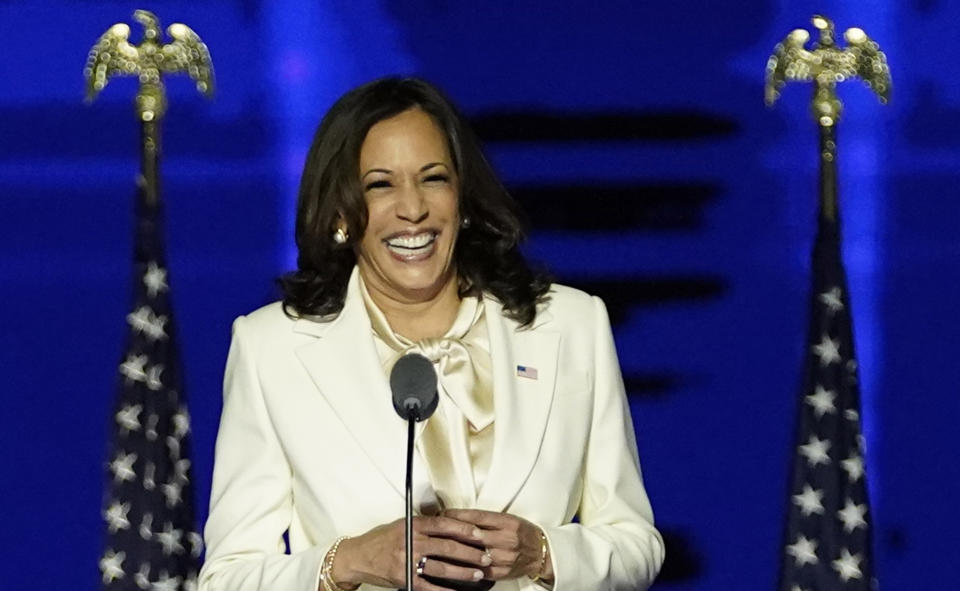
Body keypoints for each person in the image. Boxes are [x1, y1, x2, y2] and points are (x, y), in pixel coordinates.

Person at [198, 77, 664, 591]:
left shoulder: (573, 325)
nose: (413, 208)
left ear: (462, 198)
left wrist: (544, 553)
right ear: (340, 215)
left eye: (433, 178)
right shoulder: (272, 349)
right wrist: (348, 561)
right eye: (380, 184)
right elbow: (228, 577)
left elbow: (635, 543)